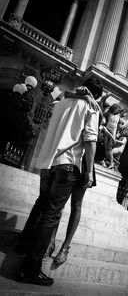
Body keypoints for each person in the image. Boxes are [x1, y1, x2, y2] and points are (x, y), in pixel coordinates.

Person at [16, 77, 103, 286]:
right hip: (67, 163)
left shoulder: (62, 101)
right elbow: (90, 140)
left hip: (48, 162)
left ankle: (23, 246)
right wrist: (89, 172)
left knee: (40, 205)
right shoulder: (91, 106)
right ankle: (30, 269)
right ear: (96, 95)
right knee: (51, 215)